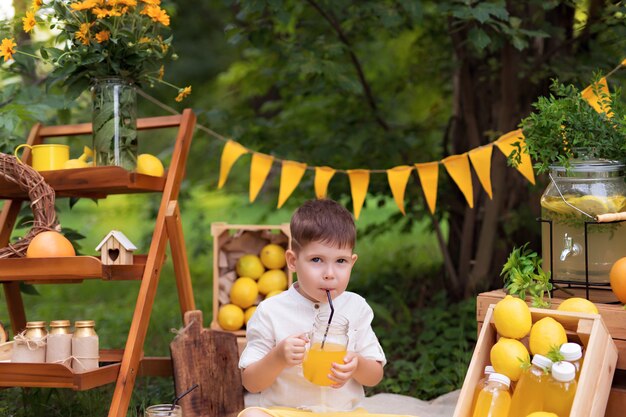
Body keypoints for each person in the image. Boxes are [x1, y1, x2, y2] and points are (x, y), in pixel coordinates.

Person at [238, 199, 386, 417]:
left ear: (352, 262)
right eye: (316, 259)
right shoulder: (271, 311)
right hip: (287, 413)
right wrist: (277, 357)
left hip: (343, 414)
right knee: (252, 416)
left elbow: (375, 376)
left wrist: (357, 364)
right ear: (292, 261)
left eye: (341, 261)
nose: (329, 273)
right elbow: (251, 382)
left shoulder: (356, 308)